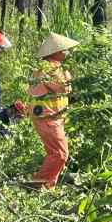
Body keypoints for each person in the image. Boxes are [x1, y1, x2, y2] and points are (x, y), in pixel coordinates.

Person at [27, 32, 79, 189]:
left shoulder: (52, 67)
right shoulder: (50, 68)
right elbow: (64, 88)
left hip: (50, 117)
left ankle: (47, 186)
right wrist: (69, 78)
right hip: (48, 118)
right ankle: (38, 184)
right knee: (60, 154)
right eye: (63, 50)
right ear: (55, 51)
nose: (66, 53)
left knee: (55, 154)